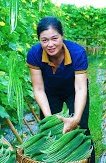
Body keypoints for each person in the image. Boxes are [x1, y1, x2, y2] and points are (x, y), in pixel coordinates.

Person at [26, 16, 95, 162]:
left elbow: (81, 88)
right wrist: (50, 118)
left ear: (62, 36)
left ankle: (87, 159)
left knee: (81, 127)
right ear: (39, 40)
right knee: (50, 130)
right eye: (44, 40)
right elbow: (38, 89)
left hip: (73, 91)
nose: (50, 44)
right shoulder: (34, 54)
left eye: (54, 38)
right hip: (49, 92)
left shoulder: (77, 53)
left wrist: (75, 118)